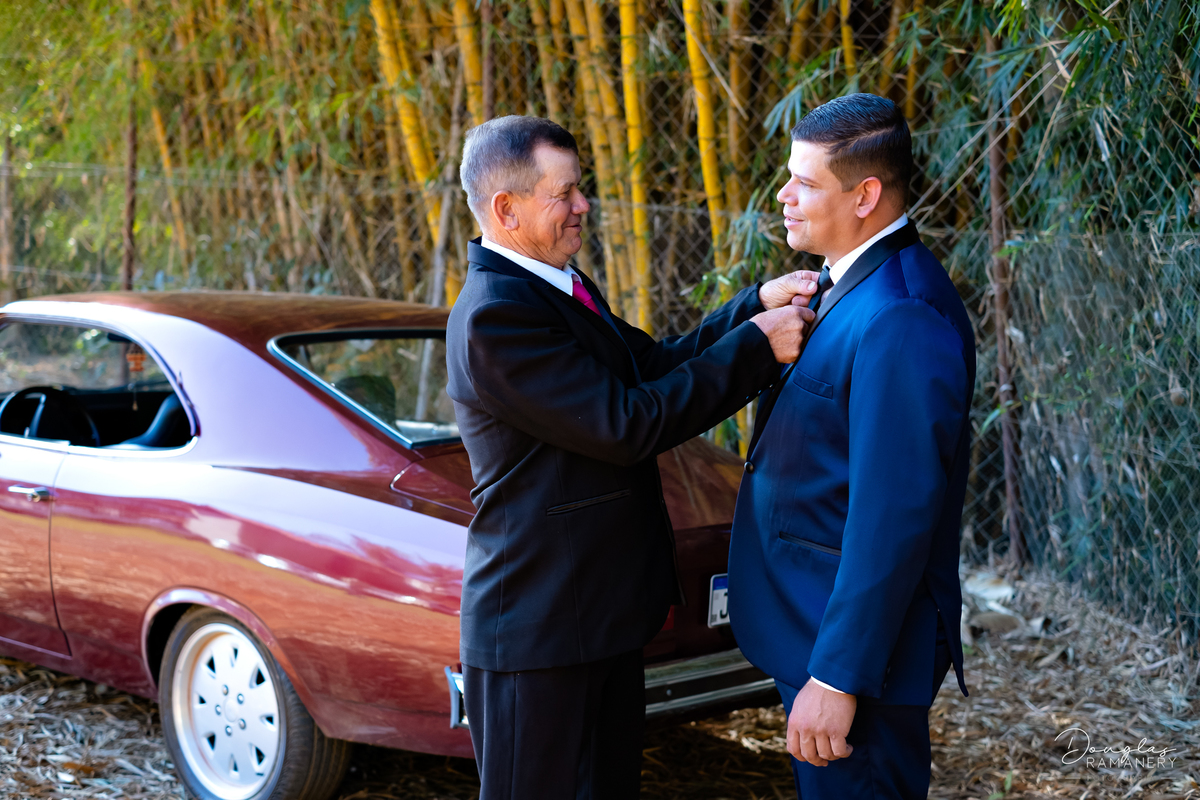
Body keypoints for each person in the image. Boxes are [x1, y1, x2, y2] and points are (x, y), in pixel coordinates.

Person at [445, 114, 819, 800]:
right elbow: (626, 423)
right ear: (507, 208)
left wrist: (750, 311)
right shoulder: (496, 316)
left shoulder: (554, 284)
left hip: (595, 615)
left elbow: (648, 365)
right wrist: (757, 349)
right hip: (539, 629)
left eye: (579, 188)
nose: (583, 205)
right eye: (564, 193)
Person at [727, 93, 976, 800]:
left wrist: (837, 677)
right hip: (817, 625)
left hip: (858, 659)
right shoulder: (846, 284)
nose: (783, 195)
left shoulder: (901, 314)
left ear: (865, 196)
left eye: (804, 182)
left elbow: (892, 517)